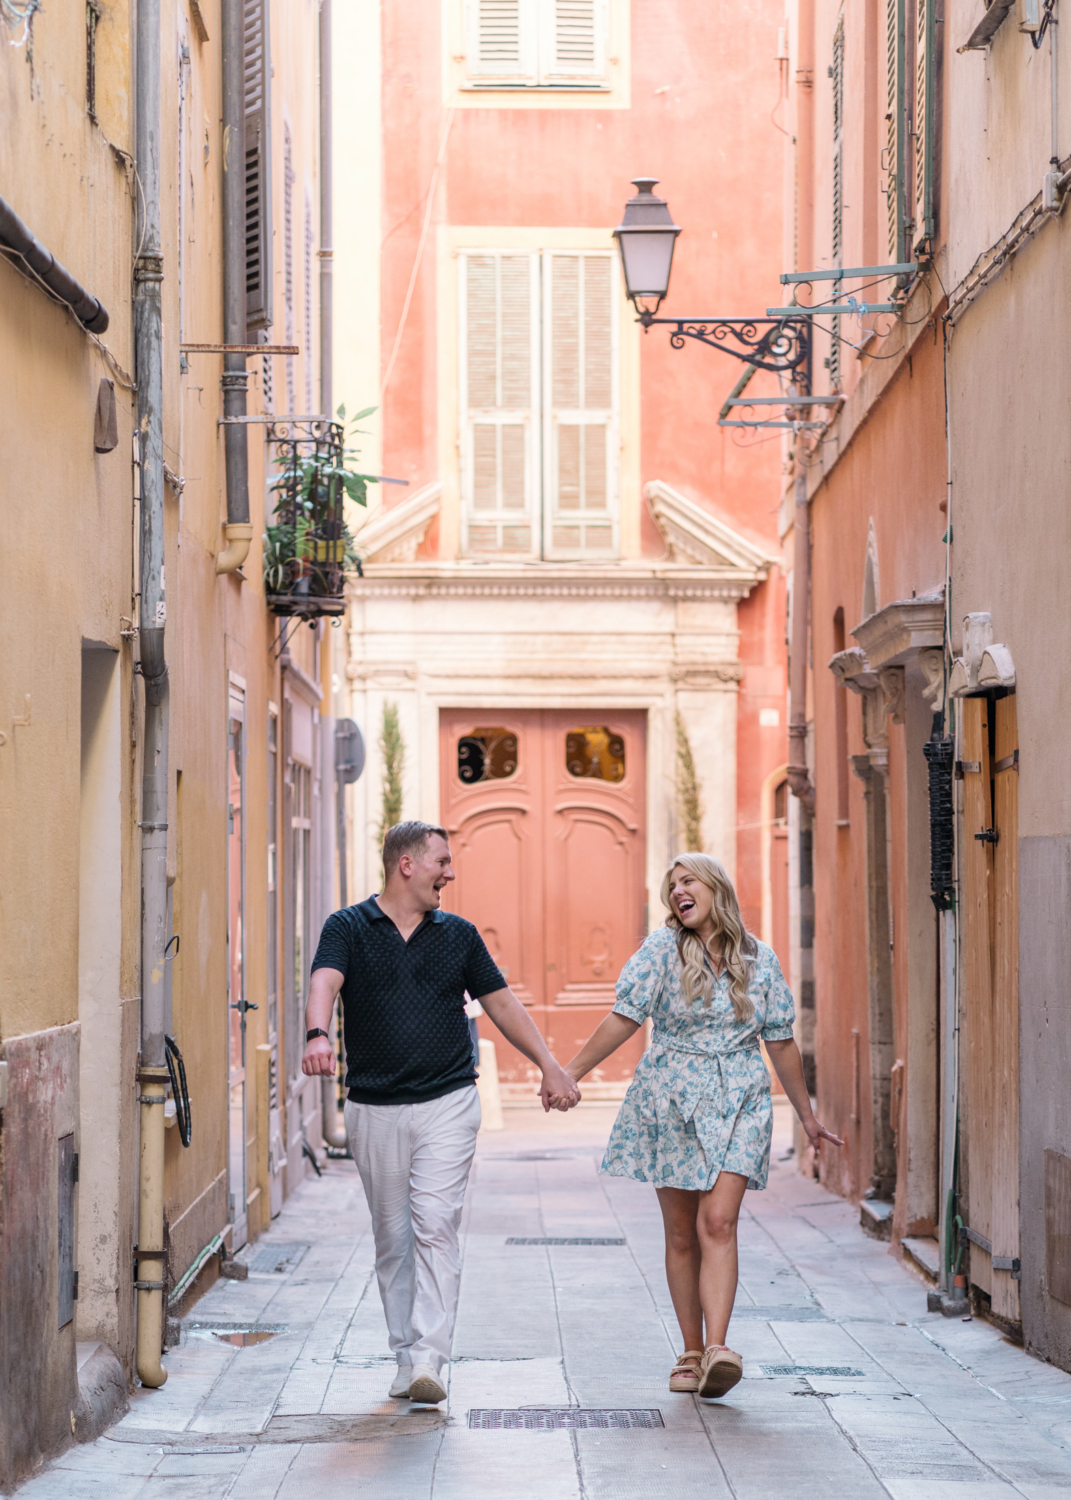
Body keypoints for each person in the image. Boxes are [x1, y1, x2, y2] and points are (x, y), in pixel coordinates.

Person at [301, 820, 580, 1406]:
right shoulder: (348, 926)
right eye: (441, 862)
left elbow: (500, 1002)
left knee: (434, 1222)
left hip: (448, 1100)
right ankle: (405, 1356)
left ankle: (430, 1356)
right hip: (374, 1104)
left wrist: (548, 1065)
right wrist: (316, 1034)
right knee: (393, 1237)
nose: (449, 873)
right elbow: (324, 979)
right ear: (407, 864)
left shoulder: (458, 935)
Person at [558, 853, 842, 1401]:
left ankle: (719, 1349)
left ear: (715, 887)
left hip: (740, 1096)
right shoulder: (660, 951)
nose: (677, 891)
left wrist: (806, 1116)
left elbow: (779, 1040)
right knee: (683, 1231)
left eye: (687, 881)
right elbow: (625, 1016)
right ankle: (690, 1351)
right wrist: (569, 1072)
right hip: (671, 1097)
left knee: (719, 1220)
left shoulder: (759, 958)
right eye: (672, 886)